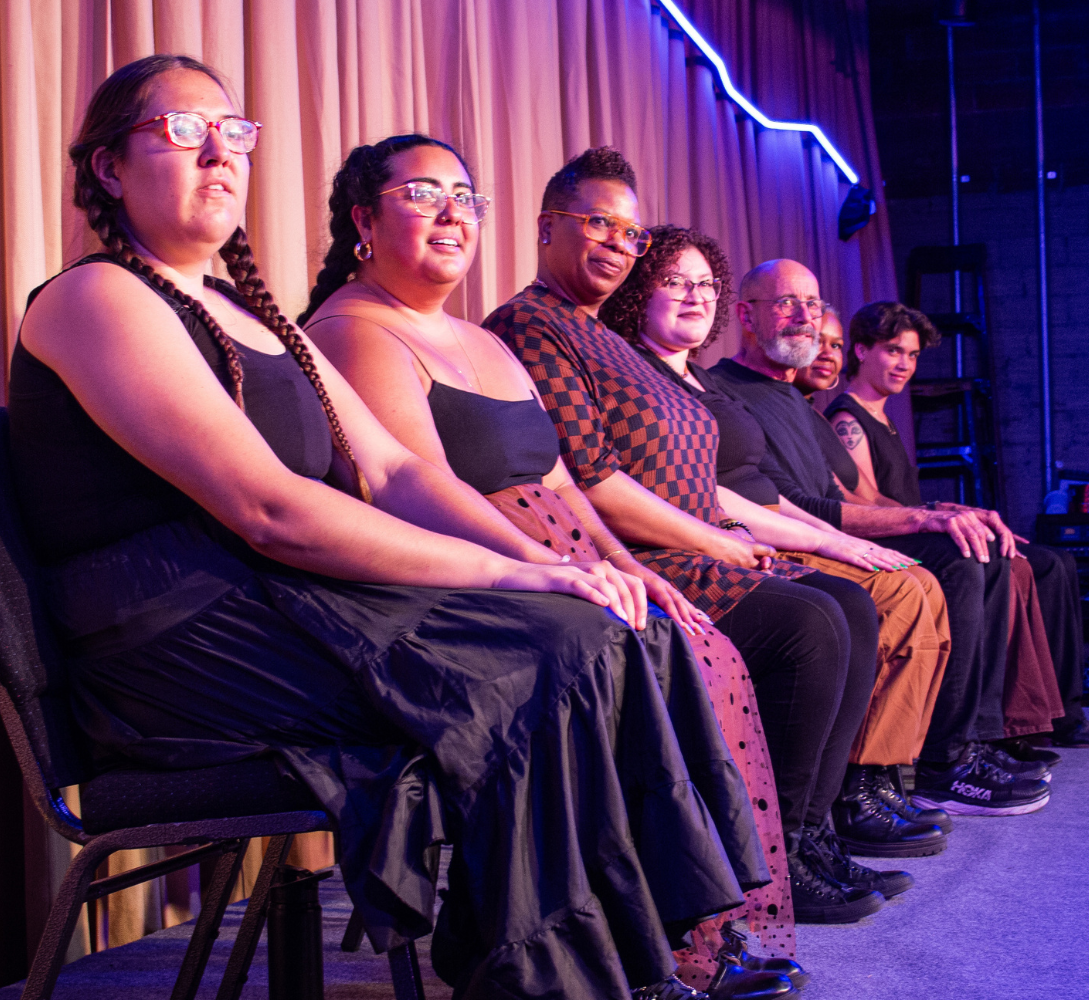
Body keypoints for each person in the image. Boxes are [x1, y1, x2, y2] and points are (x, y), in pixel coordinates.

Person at [11, 55, 771, 1000]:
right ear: (108, 169)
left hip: (273, 600)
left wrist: (554, 562)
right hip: (178, 639)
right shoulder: (96, 297)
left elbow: (394, 468)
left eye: (234, 133)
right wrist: (515, 580)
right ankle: (546, 977)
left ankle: (646, 951)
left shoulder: (250, 315)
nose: (218, 151)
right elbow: (270, 508)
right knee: (550, 654)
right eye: (180, 129)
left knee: (614, 628)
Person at [298, 133, 800, 996]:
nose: (455, 214)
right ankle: (634, 953)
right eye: (425, 194)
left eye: (467, 197)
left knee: (684, 637)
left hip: (556, 549)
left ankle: (689, 934)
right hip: (469, 569)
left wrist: (627, 568)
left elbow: (563, 478)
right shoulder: (352, 330)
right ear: (363, 221)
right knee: (615, 654)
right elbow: (414, 488)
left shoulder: (480, 341)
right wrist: (548, 569)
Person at [482, 147, 904, 926]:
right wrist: (715, 543)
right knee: (811, 623)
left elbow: (690, 476)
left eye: (630, 231)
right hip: (628, 552)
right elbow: (591, 480)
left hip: (688, 542)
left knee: (849, 603)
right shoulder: (531, 324)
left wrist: (740, 533)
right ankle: (765, 852)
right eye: (598, 222)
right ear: (547, 227)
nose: (616, 241)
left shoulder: (605, 336)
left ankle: (803, 835)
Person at [599, 225, 953, 859]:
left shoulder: (703, 388)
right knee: (837, 608)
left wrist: (831, 536)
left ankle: (823, 822)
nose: (692, 296)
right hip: (676, 550)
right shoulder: (642, 373)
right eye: (674, 283)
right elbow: (637, 486)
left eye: (703, 283)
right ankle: (801, 831)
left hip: (733, 531)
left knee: (884, 591)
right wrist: (801, 538)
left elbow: (745, 492)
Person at [709, 260, 1053, 816]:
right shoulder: (725, 391)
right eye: (787, 304)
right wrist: (920, 522)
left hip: (822, 530)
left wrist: (940, 510)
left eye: (813, 305)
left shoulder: (798, 401)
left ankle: (967, 744)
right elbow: (797, 506)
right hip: (784, 541)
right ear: (746, 315)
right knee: (954, 562)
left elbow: (850, 496)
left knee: (981, 553)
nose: (805, 318)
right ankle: (939, 762)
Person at [827, 301, 1089, 751]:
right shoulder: (848, 418)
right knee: (1021, 566)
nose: (905, 364)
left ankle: (1062, 712)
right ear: (861, 350)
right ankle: (1007, 726)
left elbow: (902, 499)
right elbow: (866, 502)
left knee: (1058, 562)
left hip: (918, 526)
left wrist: (945, 508)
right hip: (895, 539)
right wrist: (937, 516)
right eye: (893, 351)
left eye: (911, 355)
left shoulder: (883, 416)